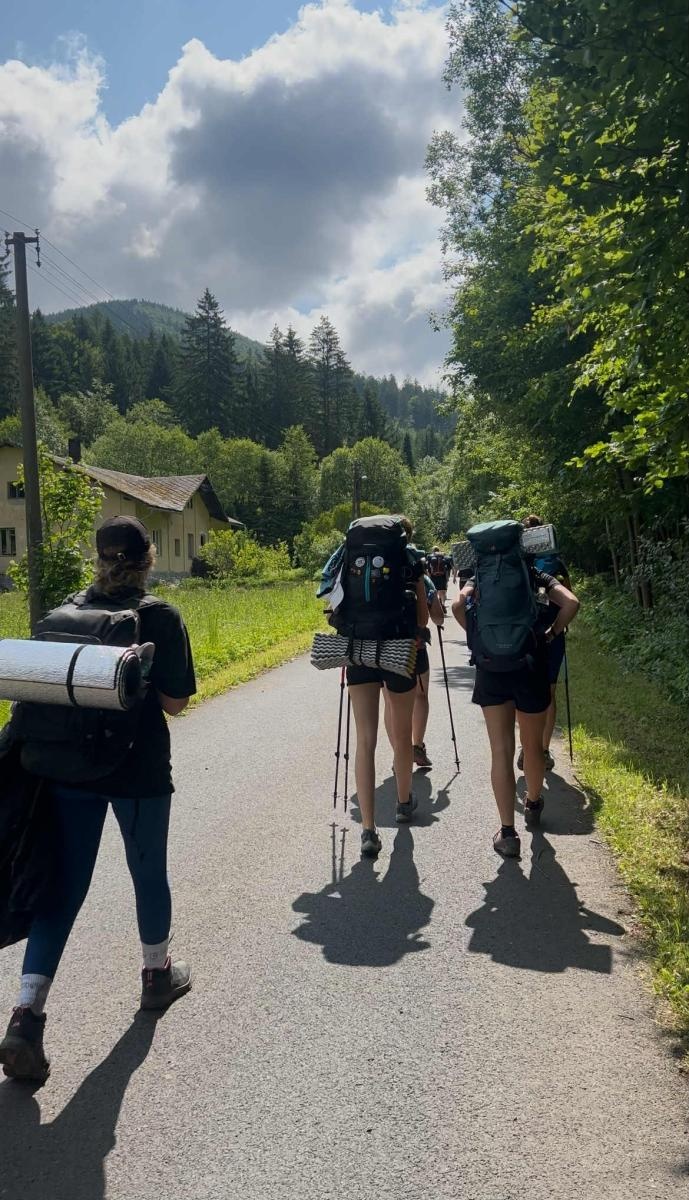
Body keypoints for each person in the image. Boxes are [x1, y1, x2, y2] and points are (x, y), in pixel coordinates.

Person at [0, 516, 196, 1083]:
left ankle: (27, 1013)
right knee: (147, 873)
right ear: (147, 557)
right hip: (136, 772)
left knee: (61, 891)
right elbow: (177, 703)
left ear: (99, 557)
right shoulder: (159, 616)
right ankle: (157, 977)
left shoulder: (64, 612)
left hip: (66, 773)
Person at [452, 525, 579, 859]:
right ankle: (534, 803)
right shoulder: (535, 574)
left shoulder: (477, 576)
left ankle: (508, 832)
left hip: (491, 668)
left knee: (500, 750)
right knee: (533, 746)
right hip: (530, 663)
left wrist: (478, 636)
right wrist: (550, 634)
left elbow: (456, 606)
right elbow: (571, 603)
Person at [324, 514, 428, 857]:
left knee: (365, 740)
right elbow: (423, 618)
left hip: (359, 650)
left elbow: (332, 603)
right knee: (401, 735)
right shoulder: (410, 560)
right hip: (398, 649)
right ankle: (402, 802)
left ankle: (368, 829)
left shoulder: (347, 554)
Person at [517, 515, 573, 772]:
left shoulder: (518, 564)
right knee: (549, 693)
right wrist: (555, 631)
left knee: (524, 693)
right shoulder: (557, 563)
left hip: (525, 638)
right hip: (552, 637)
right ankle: (543, 749)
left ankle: (525, 747)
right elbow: (570, 602)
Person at [383, 558, 444, 771]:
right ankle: (416, 746)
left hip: (383, 649)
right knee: (420, 695)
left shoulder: (379, 573)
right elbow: (437, 617)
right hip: (414, 647)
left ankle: (399, 754)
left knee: (390, 702)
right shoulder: (421, 577)